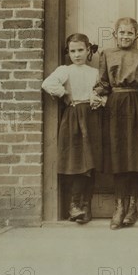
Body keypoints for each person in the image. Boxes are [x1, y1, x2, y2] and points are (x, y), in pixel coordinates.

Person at [94, 18, 138, 230]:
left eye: (130, 33)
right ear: (115, 34)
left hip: (136, 107)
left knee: (136, 157)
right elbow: (103, 82)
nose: (125, 37)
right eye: (121, 33)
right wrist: (95, 94)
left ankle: (132, 207)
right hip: (114, 108)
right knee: (118, 158)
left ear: (136, 35)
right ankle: (119, 207)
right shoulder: (106, 54)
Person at [41, 33, 102, 224]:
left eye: (81, 50)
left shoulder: (94, 72)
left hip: (91, 117)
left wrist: (97, 98)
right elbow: (47, 83)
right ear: (68, 52)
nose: (77, 55)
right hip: (74, 117)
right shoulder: (65, 70)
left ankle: (87, 206)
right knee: (76, 161)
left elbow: (102, 90)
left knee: (90, 164)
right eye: (73, 51)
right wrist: (64, 93)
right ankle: (74, 205)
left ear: (88, 50)